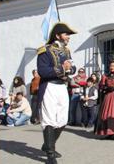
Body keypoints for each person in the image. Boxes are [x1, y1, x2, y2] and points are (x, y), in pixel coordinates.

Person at [37, 22, 77, 164]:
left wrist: (70, 69)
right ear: (57, 35)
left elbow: (73, 68)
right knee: (49, 120)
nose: (68, 37)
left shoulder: (66, 51)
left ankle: (48, 144)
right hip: (49, 87)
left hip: (62, 87)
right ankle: (50, 154)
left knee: (62, 120)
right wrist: (62, 67)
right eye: (66, 34)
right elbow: (42, 71)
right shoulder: (44, 50)